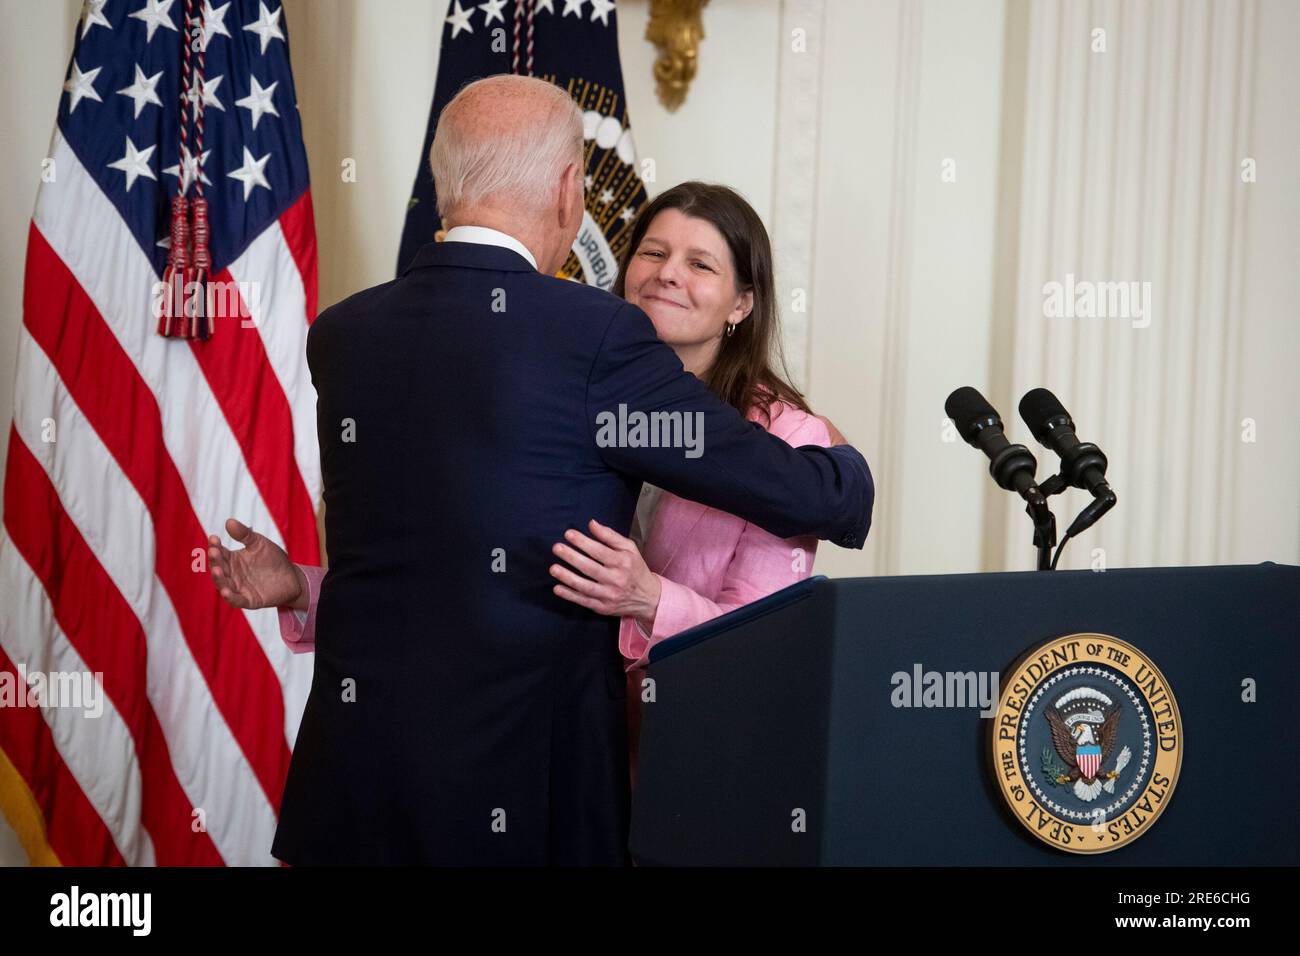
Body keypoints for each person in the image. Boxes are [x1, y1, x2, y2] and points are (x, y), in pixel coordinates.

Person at [207, 74, 873, 866]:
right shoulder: (594, 337)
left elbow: (432, 559)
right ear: (568, 190)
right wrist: (842, 470)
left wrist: (303, 586)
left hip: (353, 788)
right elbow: (801, 494)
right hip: (520, 799)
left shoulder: (347, 334)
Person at [543, 182, 837, 779]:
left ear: (741, 305)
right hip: (550, 732)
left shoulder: (787, 441)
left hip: (685, 752)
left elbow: (765, 636)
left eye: (699, 263)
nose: (667, 274)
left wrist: (648, 598)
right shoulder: (563, 395)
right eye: (653, 253)